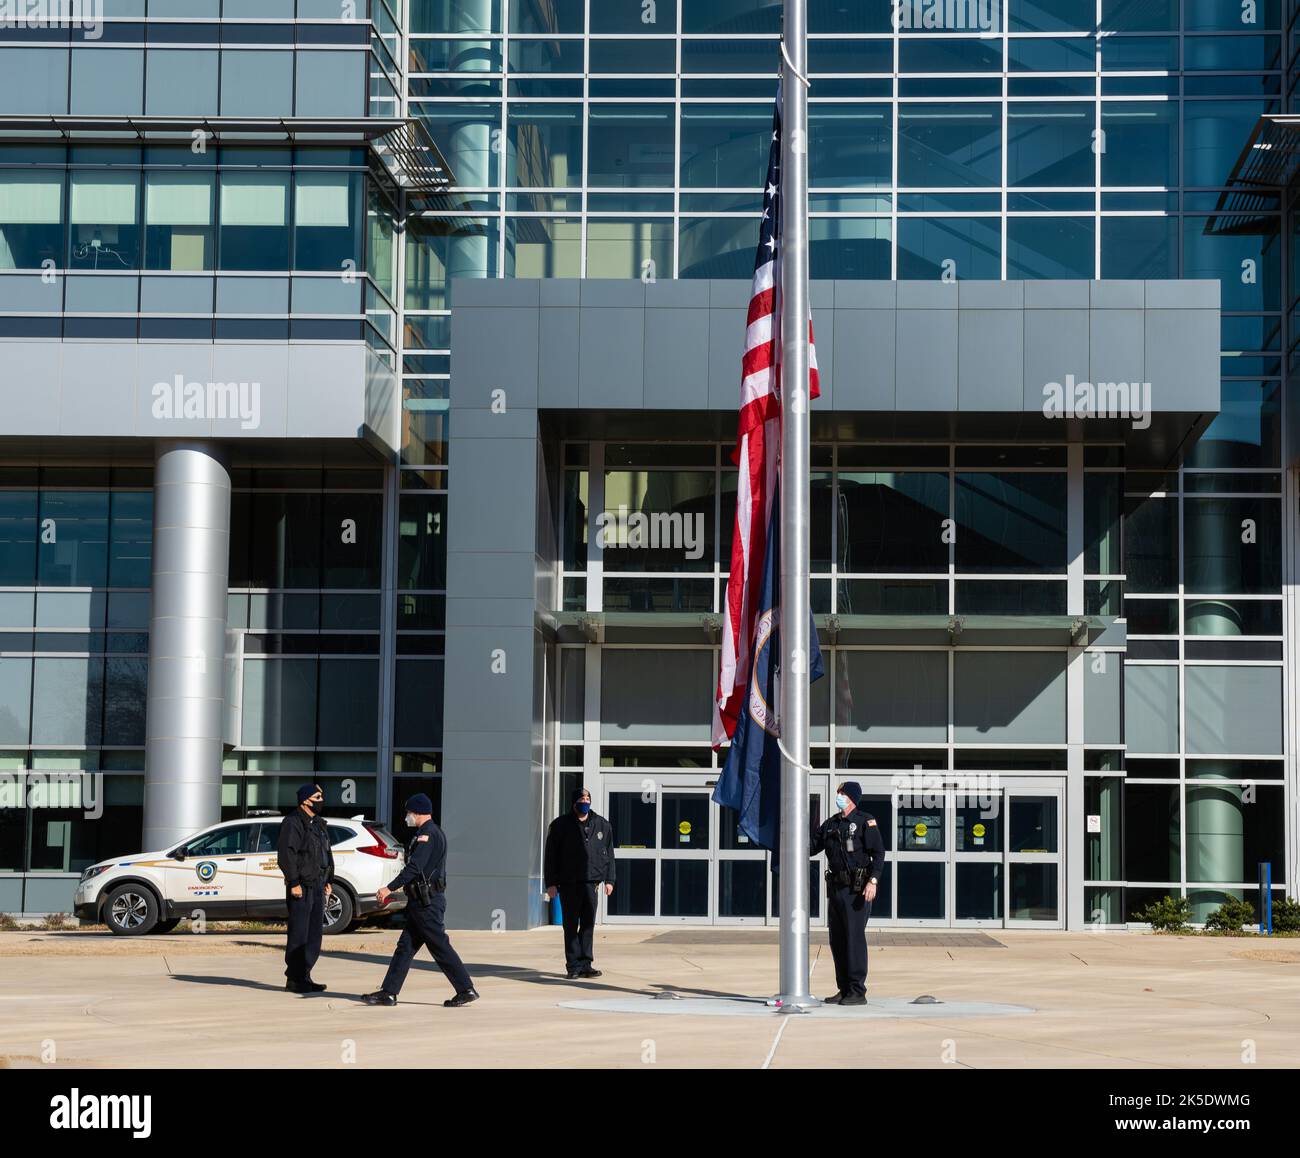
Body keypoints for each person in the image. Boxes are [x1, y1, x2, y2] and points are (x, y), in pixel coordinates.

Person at [362, 794, 478, 1008]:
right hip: (422, 902)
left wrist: (389, 888)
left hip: (427, 903)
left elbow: (415, 868)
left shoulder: (428, 835)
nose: (407, 816)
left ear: (417, 813)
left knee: (439, 946)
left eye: (408, 813)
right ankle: (388, 993)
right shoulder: (430, 832)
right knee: (405, 947)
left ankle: (465, 988)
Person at [810, 781, 884, 1006]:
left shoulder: (864, 821)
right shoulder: (832, 823)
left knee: (854, 939)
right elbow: (812, 845)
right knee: (838, 940)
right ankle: (843, 988)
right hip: (836, 889)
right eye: (838, 793)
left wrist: (873, 881)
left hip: (857, 890)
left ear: (852, 797)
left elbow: (878, 854)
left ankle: (857, 990)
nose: (838, 796)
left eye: (842, 793)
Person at [543, 787, 616, 979]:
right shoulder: (560, 825)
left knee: (588, 924)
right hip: (569, 883)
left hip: (592, 883)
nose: (585, 801)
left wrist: (610, 880)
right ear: (574, 802)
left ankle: (586, 964)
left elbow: (609, 855)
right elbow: (550, 856)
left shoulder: (602, 824)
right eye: (582, 798)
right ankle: (573, 965)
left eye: (587, 798)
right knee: (570, 925)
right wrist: (550, 883)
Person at [276, 783, 335, 994]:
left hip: (318, 884)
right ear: (305, 801)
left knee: (314, 935)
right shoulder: (293, 823)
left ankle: (305, 976)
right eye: (317, 797)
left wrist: (329, 878)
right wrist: (293, 882)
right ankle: (294, 978)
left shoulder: (318, 824)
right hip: (301, 886)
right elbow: (286, 855)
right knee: (299, 934)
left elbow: (325, 853)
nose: (321, 800)